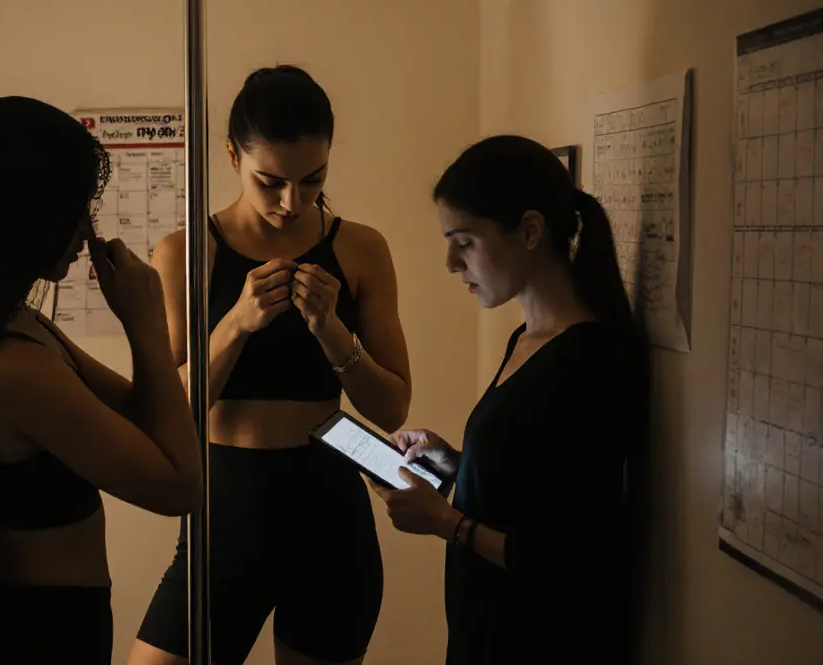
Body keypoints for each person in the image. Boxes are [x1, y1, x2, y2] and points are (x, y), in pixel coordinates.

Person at [0, 97, 203, 665]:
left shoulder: (18, 324)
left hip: (51, 620)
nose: (86, 228)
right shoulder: (16, 372)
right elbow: (179, 487)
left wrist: (144, 323)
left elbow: (138, 414)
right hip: (41, 633)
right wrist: (148, 328)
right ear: (26, 213)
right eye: (73, 208)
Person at [131, 65, 412, 665]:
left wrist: (332, 332)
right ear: (232, 156)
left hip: (328, 506)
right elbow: (169, 414)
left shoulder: (361, 248)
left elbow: (392, 407)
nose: (292, 202)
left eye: (313, 181)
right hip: (224, 505)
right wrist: (235, 323)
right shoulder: (184, 253)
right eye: (271, 181)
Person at [368, 135, 649, 664]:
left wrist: (445, 522)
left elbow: (574, 558)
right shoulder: (526, 339)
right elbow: (535, 482)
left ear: (529, 231)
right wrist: (459, 465)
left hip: (541, 641)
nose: (452, 262)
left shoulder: (592, 360)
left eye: (465, 241)